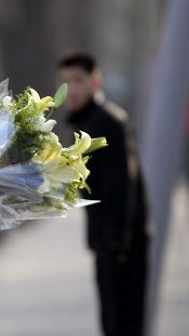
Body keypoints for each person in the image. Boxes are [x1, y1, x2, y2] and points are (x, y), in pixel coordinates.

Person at [58, 51, 151, 336]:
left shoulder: (110, 123)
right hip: (109, 241)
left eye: (78, 80)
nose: (71, 89)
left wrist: (117, 242)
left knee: (122, 323)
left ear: (95, 82)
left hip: (122, 244)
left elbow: (125, 184)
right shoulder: (87, 122)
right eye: (64, 82)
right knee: (112, 321)